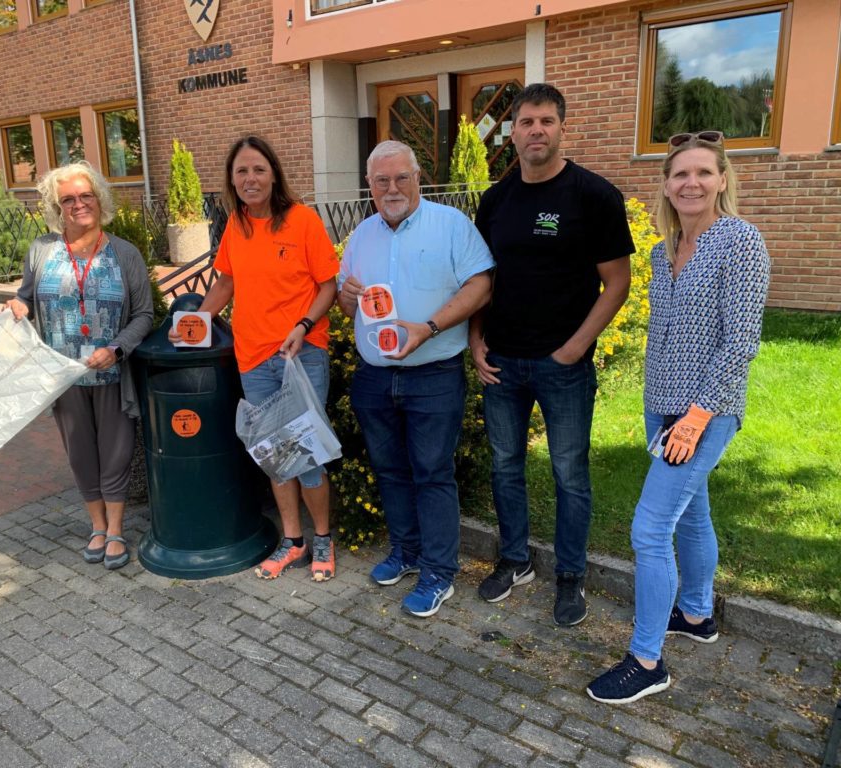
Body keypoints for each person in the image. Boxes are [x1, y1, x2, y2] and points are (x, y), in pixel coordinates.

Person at [587, 131, 770, 704]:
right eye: (680, 174)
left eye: (703, 173)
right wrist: (662, 409)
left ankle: (646, 660)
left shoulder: (740, 242)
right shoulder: (664, 249)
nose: (691, 183)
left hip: (705, 412)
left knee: (650, 527)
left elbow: (740, 343)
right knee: (691, 515)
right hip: (660, 404)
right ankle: (694, 615)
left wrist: (693, 419)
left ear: (722, 180)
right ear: (666, 185)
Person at [470, 83, 634, 626]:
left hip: (561, 366)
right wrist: (476, 340)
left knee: (569, 474)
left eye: (546, 121)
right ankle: (515, 561)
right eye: (525, 122)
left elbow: (616, 282)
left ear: (562, 127)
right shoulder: (495, 201)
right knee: (506, 467)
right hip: (502, 364)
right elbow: (481, 279)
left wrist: (574, 347)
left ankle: (570, 577)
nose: (535, 131)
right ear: (511, 131)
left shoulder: (593, 196)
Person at [169, 135, 339, 582]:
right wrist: (195, 324)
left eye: (258, 169)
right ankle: (293, 542)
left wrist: (303, 326)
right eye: (242, 171)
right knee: (274, 454)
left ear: (274, 174)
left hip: (301, 355)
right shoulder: (236, 226)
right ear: (232, 179)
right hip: (252, 358)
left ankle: (322, 538)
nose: (250, 179)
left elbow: (328, 286)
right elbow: (225, 284)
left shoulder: (302, 221)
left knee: (306, 452)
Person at [338, 140, 494, 618]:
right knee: (390, 471)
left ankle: (438, 573)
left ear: (418, 177)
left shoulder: (451, 225)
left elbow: (482, 284)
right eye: (381, 180)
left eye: (400, 177)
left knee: (431, 474)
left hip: (434, 373)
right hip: (374, 377)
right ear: (369, 185)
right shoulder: (361, 235)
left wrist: (428, 328)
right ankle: (405, 553)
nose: (392, 188)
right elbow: (350, 305)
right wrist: (347, 296)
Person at [6, 161, 153, 570]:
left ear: (99, 199)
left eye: (85, 196)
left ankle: (118, 529)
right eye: (67, 199)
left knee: (116, 453)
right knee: (80, 455)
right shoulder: (42, 251)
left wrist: (119, 348)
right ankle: (97, 526)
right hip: (63, 375)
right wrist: (19, 305)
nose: (77, 205)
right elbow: (27, 298)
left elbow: (144, 314)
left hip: (111, 372)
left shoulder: (124, 253)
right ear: (57, 208)